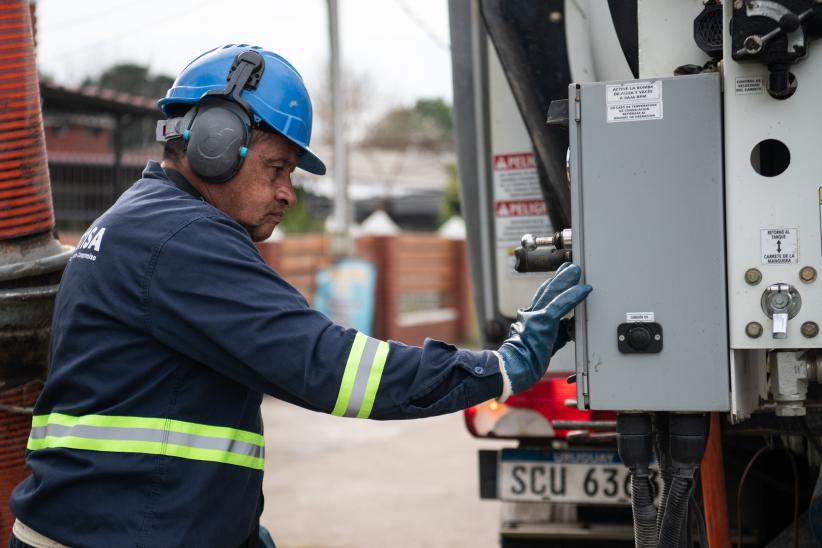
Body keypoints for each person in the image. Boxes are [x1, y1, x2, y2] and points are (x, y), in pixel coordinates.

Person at [9, 45, 591, 548]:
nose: (288, 194)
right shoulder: (184, 239)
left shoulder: (144, 222)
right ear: (216, 141)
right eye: (278, 168)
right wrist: (503, 368)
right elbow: (335, 369)